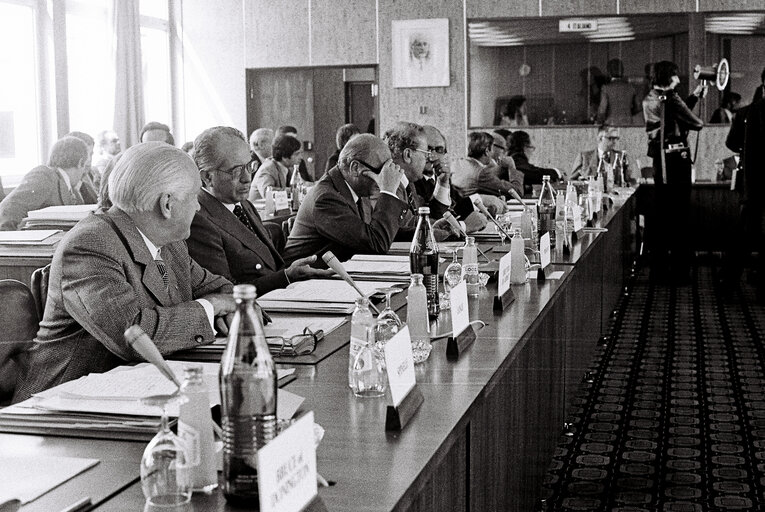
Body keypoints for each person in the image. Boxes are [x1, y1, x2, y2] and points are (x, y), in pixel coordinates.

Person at [12, 142, 237, 402]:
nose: (198, 208)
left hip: (135, 392)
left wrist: (234, 308)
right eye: (195, 197)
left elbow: (221, 289)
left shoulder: (171, 243)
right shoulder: (90, 244)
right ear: (167, 204)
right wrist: (213, 308)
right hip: (59, 406)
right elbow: (134, 334)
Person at [188, 126, 331, 294]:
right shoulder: (199, 220)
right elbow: (224, 294)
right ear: (207, 177)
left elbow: (270, 267)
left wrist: (291, 273)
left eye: (249, 166)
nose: (247, 177)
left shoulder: (243, 205)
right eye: (236, 171)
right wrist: (286, 277)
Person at [282, 134, 408, 264]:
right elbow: (375, 244)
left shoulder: (356, 189)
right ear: (355, 168)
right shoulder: (326, 198)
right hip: (303, 279)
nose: (385, 178)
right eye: (381, 172)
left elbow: (373, 231)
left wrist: (423, 232)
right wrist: (388, 191)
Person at [642, 60, 705, 283]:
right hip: (677, 163)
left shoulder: (652, 97)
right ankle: (680, 271)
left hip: (661, 162)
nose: (679, 80)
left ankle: (659, 270)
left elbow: (673, 114)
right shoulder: (670, 97)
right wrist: (692, 101)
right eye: (676, 76)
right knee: (680, 216)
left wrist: (694, 97)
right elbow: (695, 123)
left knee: (663, 215)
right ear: (669, 78)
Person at [382, 122, 453, 241]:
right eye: (425, 153)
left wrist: (432, 226)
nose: (429, 158)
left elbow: (412, 222)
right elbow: (398, 230)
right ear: (408, 154)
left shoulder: (408, 183)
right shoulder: (390, 185)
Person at [0, 136, 89, 230]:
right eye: (85, 166)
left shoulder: (70, 189)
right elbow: (8, 209)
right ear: (80, 162)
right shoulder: (45, 176)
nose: (84, 172)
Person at [421, 125, 488, 234]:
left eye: (439, 149)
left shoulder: (441, 176)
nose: (432, 155)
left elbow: (455, 208)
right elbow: (432, 222)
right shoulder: (412, 181)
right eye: (427, 149)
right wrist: (464, 226)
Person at [451, 132, 513, 214]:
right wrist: (512, 167)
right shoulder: (481, 172)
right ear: (487, 151)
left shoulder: (457, 163)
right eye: (492, 150)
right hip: (469, 215)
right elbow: (514, 191)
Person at [570, 124, 634, 186]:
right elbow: (572, 181)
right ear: (600, 138)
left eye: (616, 138)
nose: (615, 142)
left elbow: (629, 181)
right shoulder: (584, 157)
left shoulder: (620, 156)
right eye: (611, 138)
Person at [249, 134, 302, 200]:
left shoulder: (286, 168)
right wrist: (293, 191)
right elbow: (267, 193)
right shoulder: (268, 169)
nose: (301, 157)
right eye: (297, 154)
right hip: (259, 209)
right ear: (284, 156)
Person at [508, 131, 560, 195]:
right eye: (532, 148)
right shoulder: (517, 160)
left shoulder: (514, 158)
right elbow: (534, 173)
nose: (532, 152)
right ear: (525, 147)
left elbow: (531, 169)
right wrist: (557, 173)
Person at [597, 58, 640, 125]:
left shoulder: (606, 88)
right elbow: (639, 106)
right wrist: (628, 112)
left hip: (611, 123)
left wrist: (599, 122)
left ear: (609, 71)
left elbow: (602, 109)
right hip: (628, 122)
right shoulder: (631, 87)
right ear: (622, 70)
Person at [67, 131, 100, 202]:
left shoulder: (91, 176)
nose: (89, 159)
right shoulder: (62, 184)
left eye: (91, 154)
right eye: (85, 154)